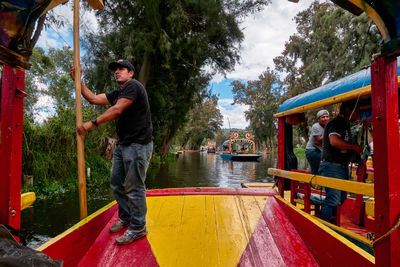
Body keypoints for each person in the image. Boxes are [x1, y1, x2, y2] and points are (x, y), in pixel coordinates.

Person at [70, 59, 153, 245]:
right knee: (116, 182)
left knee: (134, 187)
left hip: (138, 145)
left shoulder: (134, 86)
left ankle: (139, 227)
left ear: (131, 73)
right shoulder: (117, 93)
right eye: (115, 69)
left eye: (122, 69)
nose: (117, 71)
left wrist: (90, 125)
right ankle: (126, 218)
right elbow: (92, 98)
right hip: (123, 145)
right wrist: (78, 81)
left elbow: (117, 110)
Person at [319, 100, 362, 223]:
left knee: (341, 198)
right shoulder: (336, 123)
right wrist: (353, 147)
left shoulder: (346, 125)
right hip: (332, 166)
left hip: (341, 167)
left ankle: (330, 223)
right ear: (349, 110)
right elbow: (334, 141)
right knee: (333, 199)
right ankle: (324, 228)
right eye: (357, 111)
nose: (358, 114)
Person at [305, 110, 329, 175]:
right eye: (323, 117)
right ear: (318, 119)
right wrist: (328, 133)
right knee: (327, 163)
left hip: (320, 151)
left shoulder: (328, 127)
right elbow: (320, 141)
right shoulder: (315, 126)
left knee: (315, 171)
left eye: (327, 117)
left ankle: (314, 184)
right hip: (312, 151)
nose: (325, 119)